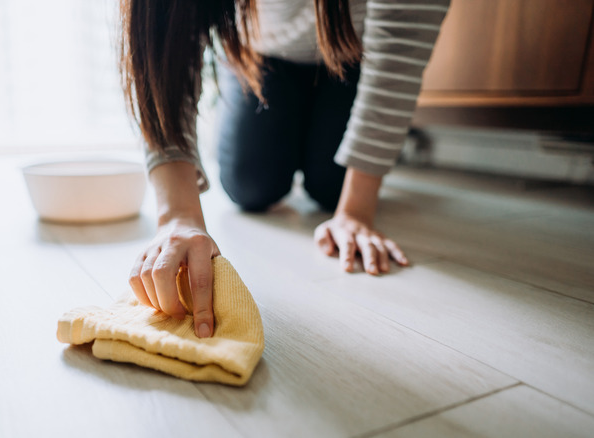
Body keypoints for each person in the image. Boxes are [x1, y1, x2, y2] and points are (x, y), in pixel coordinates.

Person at [119, 0, 450, 338]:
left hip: (353, 54)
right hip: (261, 54)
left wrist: (356, 211)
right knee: (250, 186)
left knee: (331, 188)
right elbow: (164, 47)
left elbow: (399, 52)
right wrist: (177, 214)